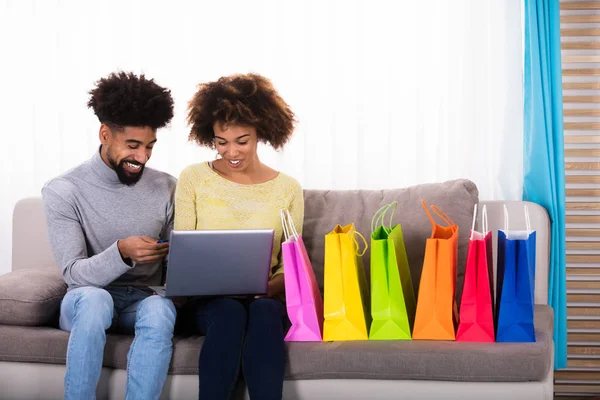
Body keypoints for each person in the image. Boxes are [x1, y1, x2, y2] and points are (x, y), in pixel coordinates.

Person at [42, 71, 178, 400]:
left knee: (160, 310)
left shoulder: (166, 186)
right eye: (133, 145)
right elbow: (73, 273)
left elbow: (178, 259)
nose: (142, 157)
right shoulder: (64, 190)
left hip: (142, 299)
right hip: (85, 300)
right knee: (94, 299)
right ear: (105, 134)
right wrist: (121, 252)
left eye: (149, 146)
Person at [175, 73, 303, 400]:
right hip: (209, 302)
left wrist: (267, 288)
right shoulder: (193, 179)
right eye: (221, 141)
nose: (230, 151)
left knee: (263, 313)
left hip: (265, 299)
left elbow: (291, 265)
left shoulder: (288, 189)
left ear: (261, 133)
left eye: (241, 140)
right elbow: (184, 254)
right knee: (230, 312)